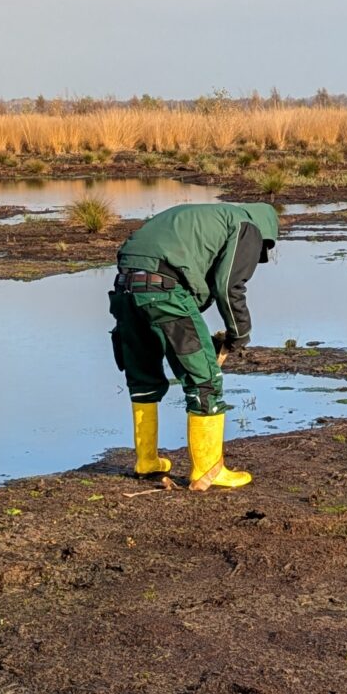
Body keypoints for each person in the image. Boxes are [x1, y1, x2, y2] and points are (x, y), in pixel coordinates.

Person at [109, 201, 279, 489]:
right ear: (267, 231)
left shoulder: (206, 218)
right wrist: (239, 333)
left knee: (142, 377)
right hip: (164, 289)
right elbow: (228, 286)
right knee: (205, 381)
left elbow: (192, 274)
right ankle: (208, 471)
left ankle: (146, 461)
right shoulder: (247, 227)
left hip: (126, 287)